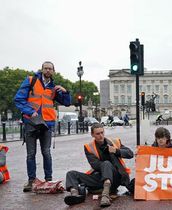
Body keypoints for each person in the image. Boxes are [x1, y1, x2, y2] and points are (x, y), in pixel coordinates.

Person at [14, 61, 71, 192]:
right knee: (31, 154)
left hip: (47, 124)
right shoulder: (31, 80)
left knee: (46, 152)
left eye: (50, 69)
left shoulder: (54, 87)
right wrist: (30, 111)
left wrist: (65, 91)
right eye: (45, 68)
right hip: (31, 122)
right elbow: (18, 99)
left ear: (53, 71)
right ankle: (31, 181)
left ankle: (49, 179)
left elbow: (67, 102)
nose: (48, 71)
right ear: (41, 69)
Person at [64, 123, 134, 207]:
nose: (101, 136)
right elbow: (95, 165)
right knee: (71, 173)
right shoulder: (89, 147)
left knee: (106, 164)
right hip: (100, 178)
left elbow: (130, 154)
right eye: (97, 134)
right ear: (92, 134)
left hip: (116, 178)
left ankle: (105, 195)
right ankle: (74, 195)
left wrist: (116, 151)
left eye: (102, 132)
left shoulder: (114, 142)